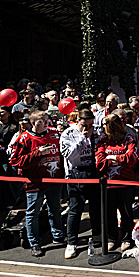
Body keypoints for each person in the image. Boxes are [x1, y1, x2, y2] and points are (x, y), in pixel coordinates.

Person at [9, 110, 66, 257]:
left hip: (55, 179)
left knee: (55, 208)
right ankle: (34, 242)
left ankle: (58, 235)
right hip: (35, 183)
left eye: (47, 120)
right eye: (42, 121)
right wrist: (38, 153)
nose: (47, 123)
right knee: (33, 212)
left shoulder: (54, 134)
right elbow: (15, 161)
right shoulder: (24, 138)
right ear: (33, 123)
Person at [60, 109, 101, 258]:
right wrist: (83, 139)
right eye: (84, 125)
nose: (88, 128)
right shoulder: (68, 134)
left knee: (96, 208)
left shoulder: (96, 132)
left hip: (93, 173)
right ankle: (71, 242)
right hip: (75, 174)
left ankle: (97, 236)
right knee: (75, 210)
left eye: (90, 125)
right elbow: (69, 155)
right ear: (78, 121)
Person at [96, 111, 139, 253]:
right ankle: (111, 238)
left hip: (126, 182)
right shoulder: (102, 142)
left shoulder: (129, 139)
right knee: (109, 212)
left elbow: (131, 159)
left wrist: (113, 159)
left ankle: (127, 237)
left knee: (126, 211)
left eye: (104, 125)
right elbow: (100, 163)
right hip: (108, 184)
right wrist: (120, 158)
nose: (102, 128)